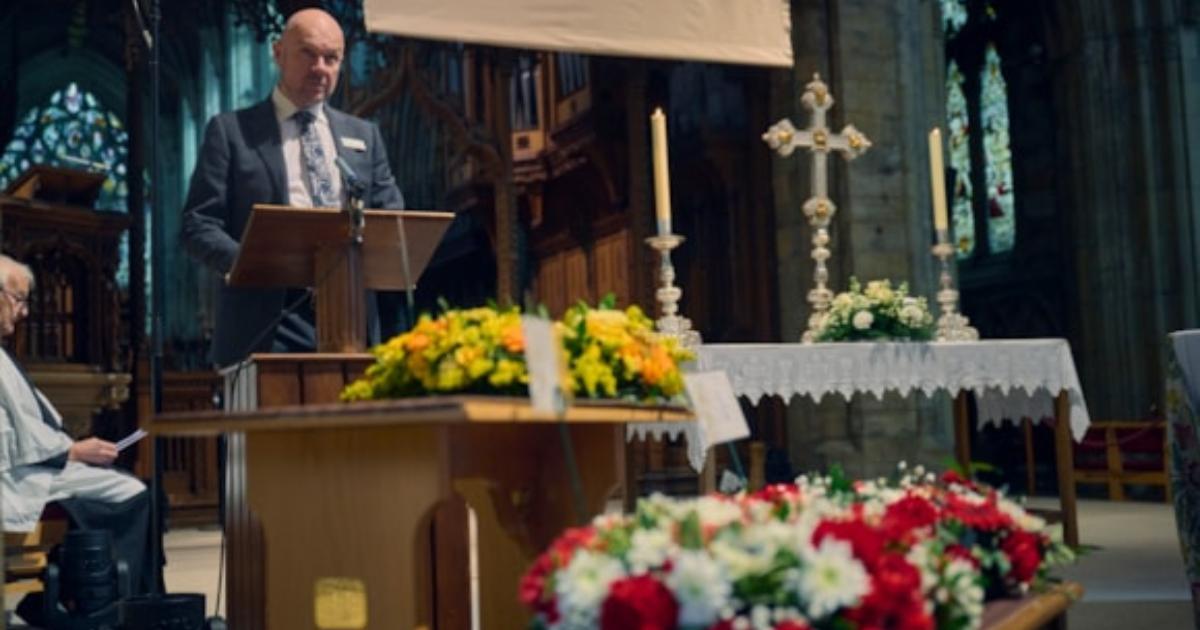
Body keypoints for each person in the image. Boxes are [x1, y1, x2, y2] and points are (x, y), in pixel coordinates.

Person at [181, 7, 405, 368]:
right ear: (278, 52)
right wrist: (250, 263)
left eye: (331, 58)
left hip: (348, 320)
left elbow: (392, 217)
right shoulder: (232, 132)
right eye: (308, 54)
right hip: (266, 323)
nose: (321, 68)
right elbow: (198, 224)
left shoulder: (364, 136)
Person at [0, 254, 158, 611]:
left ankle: (74, 592)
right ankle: (106, 601)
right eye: (19, 299)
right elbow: (8, 440)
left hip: (30, 467)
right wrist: (72, 452)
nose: (24, 312)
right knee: (131, 492)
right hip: (15, 477)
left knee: (124, 485)